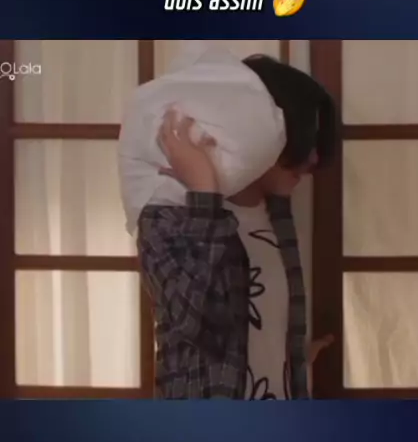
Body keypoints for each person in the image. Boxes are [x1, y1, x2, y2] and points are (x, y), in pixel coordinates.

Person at [136, 54, 337, 399]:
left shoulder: (280, 216)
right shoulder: (166, 218)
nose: (314, 156)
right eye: (305, 136)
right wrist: (204, 191)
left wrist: (293, 363)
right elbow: (194, 322)